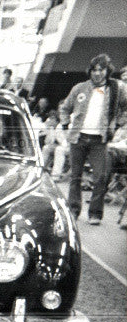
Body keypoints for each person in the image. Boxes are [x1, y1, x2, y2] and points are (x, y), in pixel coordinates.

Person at [58, 54, 127, 224]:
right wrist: (66, 125)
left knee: (100, 178)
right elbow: (65, 108)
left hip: (100, 140)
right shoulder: (79, 88)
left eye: (101, 70)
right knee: (75, 177)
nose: (97, 73)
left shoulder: (116, 90)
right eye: (94, 70)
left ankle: (95, 213)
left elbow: (125, 108)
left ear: (107, 71)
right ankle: (74, 210)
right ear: (90, 71)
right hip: (78, 138)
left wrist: (118, 123)